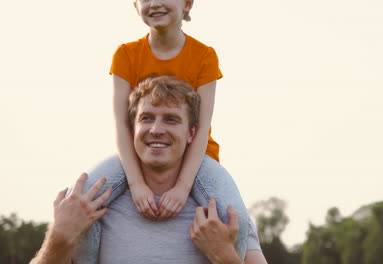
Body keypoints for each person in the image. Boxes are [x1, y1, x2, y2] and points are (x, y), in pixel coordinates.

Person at [31, 76, 267, 264]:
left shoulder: (218, 214)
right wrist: (59, 236)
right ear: (132, 130)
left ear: (192, 134)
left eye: (171, 119)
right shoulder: (92, 207)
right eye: (146, 118)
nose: (156, 129)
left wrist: (225, 257)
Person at [85, 0, 251, 259]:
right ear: (135, 5)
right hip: (135, 152)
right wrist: (137, 184)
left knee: (236, 215)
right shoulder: (125, 55)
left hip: (197, 153)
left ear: (187, 4)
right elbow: (121, 125)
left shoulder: (204, 56)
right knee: (83, 198)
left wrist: (182, 187)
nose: (155, 4)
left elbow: (202, 127)